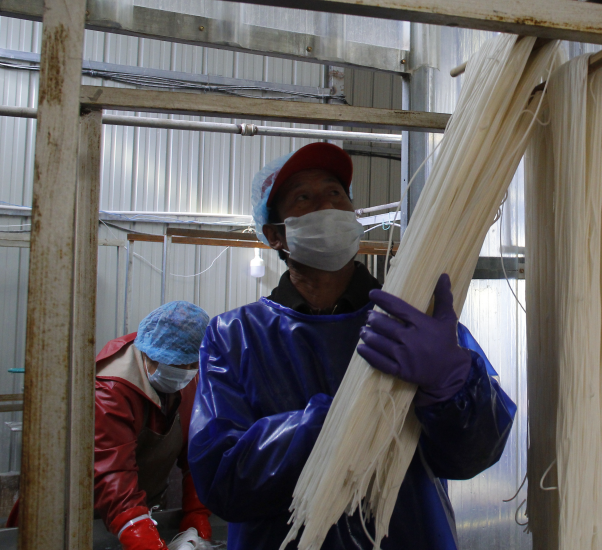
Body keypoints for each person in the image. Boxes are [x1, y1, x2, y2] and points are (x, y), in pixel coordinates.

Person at [188, 142, 516, 550]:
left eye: (335, 192)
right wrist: (330, 420)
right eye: (303, 198)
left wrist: (454, 384)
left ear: (354, 216)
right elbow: (222, 479)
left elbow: (476, 455)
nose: (327, 205)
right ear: (275, 235)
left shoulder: (415, 320)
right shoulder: (234, 336)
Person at [94, 301, 213, 550]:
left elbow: (196, 453)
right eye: (176, 365)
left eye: (192, 365)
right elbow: (113, 476)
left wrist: (196, 515)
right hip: (93, 514)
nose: (185, 372)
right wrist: (144, 539)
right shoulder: (111, 390)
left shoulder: (188, 378)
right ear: (150, 354)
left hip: (142, 511)